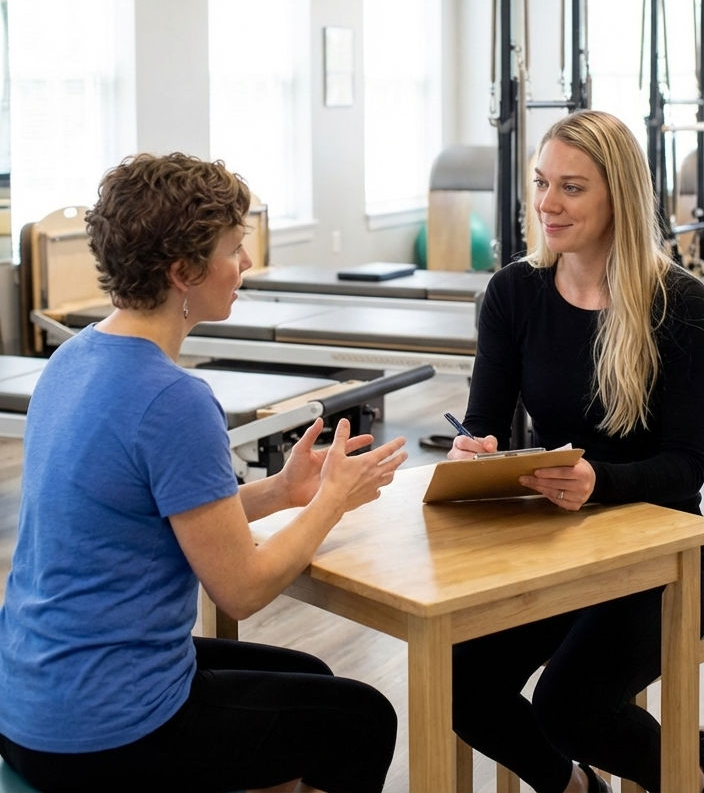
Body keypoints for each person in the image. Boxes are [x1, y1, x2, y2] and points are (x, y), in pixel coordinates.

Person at [0, 152, 408, 793]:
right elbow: (241, 590)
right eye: (234, 248)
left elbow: (147, 511)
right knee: (363, 721)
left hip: (28, 703)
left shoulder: (73, 359)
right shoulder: (173, 399)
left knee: (313, 681)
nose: (245, 264)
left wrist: (279, 492)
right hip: (104, 731)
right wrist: (330, 500)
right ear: (184, 270)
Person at [447, 110, 704, 793]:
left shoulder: (679, 304)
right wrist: (474, 450)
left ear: (616, 198)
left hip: (664, 555)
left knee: (568, 706)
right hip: (559, 544)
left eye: (570, 188)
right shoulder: (514, 293)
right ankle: (576, 789)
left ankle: (693, 768)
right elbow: (485, 423)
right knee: (457, 681)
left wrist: (595, 479)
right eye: (541, 183)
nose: (545, 203)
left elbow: (684, 469)